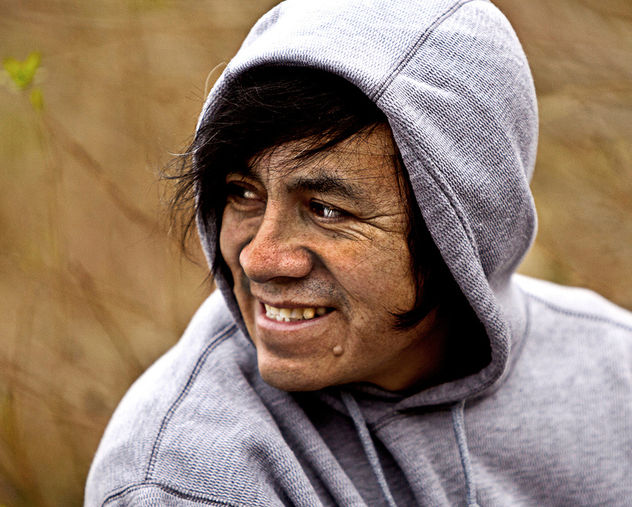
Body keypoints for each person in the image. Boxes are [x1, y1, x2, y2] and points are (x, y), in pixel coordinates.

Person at [85, 0, 632, 505]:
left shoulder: (617, 374)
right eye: (243, 194)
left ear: (460, 231)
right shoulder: (182, 475)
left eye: (326, 209)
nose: (259, 259)